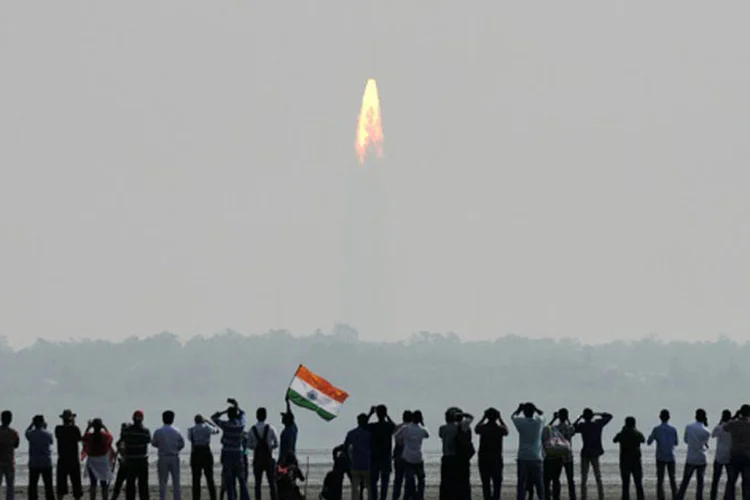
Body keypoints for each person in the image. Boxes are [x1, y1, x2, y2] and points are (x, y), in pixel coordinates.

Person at [212, 399, 251, 500]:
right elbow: (243, 414)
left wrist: (224, 411)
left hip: (227, 452)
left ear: (228, 416)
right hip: (238, 452)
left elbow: (214, 417)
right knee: (242, 479)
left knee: (229, 480)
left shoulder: (226, 425)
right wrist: (237, 407)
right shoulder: (241, 425)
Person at [573, 409, 612, 500]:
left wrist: (579, 419)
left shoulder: (583, 425)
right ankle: (601, 496)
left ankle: (583, 497)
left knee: (584, 478)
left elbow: (572, 428)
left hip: (585, 453)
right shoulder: (597, 424)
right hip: (595, 452)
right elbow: (609, 416)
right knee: (598, 477)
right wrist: (597, 413)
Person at [438, 407, 474, 500]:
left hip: (446, 458)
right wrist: (463, 415)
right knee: (462, 485)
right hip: (459, 459)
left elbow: (441, 435)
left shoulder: (442, 428)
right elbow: (470, 417)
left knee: (446, 485)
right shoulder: (462, 426)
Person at [512, 402, 545, 500]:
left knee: (521, 483)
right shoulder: (538, 423)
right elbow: (542, 414)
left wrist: (519, 410)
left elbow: (513, 416)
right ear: (533, 412)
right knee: (539, 483)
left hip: (523, 456)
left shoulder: (521, 422)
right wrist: (536, 409)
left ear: (524, 412)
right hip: (536, 456)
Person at [676, 409, 711, 500]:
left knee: (685, 481)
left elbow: (686, 440)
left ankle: (679, 497)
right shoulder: (707, 431)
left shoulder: (689, 427)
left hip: (691, 457)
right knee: (700, 482)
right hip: (702, 457)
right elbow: (705, 444)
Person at [394, 411, 429, 500]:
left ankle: (410, 495)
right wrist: (423, 423)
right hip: (418, 457)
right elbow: (427, 435)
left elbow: (397, 437)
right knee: (421, 478)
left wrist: (404, 440)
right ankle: (419, 496)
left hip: (407, 456)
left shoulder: (405, 428)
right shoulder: (422, 429)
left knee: (409, 479)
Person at [475, 407, 508, 500]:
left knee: (486, 484)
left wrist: (483, 418)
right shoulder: (499, 429)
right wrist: (500, 419)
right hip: (496, 458)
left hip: (484, 459)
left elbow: (476, 428)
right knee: (497, 484)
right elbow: (506, 431)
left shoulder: (483, 428)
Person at [151, 411, 184, 500]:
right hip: (174, 456)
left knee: (162, 482)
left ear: (163, 419)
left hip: (163, 456)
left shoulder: (158, 431)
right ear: (172, 419)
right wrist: (176, 449)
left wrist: (161, 445)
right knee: (176, 481)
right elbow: (182, 444)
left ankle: (163, 498)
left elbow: (154, 443)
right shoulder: (177, 431)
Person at [248, 408, 279, 500]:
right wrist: (269, 448)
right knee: (272, 483)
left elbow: (248, 445)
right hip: (269, 458)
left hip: (257, 458)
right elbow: (277, 443)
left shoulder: (252, 429)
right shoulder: (271, 428)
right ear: (266, 416)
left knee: (258, 484)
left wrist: (256, 448)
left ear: (256, 416)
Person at [545, 409, 576, 500]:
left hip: (558, 456)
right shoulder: (570, 428)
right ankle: (572, 497)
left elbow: (547, 428)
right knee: (570, 479)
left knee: (555, 479)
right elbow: (572, 429)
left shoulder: (556, 428)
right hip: (568, 456)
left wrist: (554, 418)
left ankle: (556, 496)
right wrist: (568, 419)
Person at [648, 409, 679, 500]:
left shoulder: (656, 429)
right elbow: (676, 443)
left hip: (660, 456)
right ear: (669, 418)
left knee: (660, 479)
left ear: (660, 417)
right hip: (671, 455)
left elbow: (649, 442)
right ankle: (675, 496)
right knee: (672, 478)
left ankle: (661, 497)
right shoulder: (673, 429)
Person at [120, 410, 151, 500]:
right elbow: (148, 441)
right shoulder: (145, 431)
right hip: (142, 460)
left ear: (133, 419)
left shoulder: (127, 431)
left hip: (130, 460)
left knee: (130, 484)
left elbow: (122, 439)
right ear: (142, 419)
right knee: (143, 485)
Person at [367, 405, 396, 500]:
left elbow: (363, 425)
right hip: (386, 457)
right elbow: (395, 427)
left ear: (377, 414)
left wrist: (370, 413)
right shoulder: (388, 426)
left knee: (373, 482)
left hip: (375, 457)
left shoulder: (374, 427)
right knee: (385, 482)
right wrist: (387, 416)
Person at [613, 416, 645, 500]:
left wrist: (622, 430)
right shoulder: (637, 433)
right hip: (636, 461)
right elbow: (643, 440)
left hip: (625, 461)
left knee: (625, 484)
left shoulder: (622, 433)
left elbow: (615, 440)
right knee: (638, 483)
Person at [81, 419, 115, 500]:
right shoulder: (105, 436)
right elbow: (110, 437)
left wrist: (88, 427)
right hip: (103, 461)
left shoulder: (90, 436)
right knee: (104, 483)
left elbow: (83, 438)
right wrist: (104, 427)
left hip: (92, 461)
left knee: (93, 484)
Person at [189, 414, 220, 500]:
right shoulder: (206, 427)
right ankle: (213, 497)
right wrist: (209, 422)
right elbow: (217, 431)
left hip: (195, 452)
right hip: (206, 451)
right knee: (210, 477)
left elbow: (190, 439)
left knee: (196, 479)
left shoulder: (191, 429)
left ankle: (196, 497)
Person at [723, 405, 750, 500]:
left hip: (735, 455)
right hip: (747, 456)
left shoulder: (734, 424)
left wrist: (734, 417)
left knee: (731, 482)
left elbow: (724, 428)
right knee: (747, 484)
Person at [56, 409, 84, 500]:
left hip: (62, 458)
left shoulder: (58, 429)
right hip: (73, 459)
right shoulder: (75, 429)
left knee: (61, 484)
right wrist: (74, 423)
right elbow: (80, 439)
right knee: (76, 483)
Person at [26, 415, 55, 500]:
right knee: (48, 485)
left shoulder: (31, 434)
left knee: (33, 485)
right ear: (42, 422)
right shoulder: (48, 433)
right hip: (46, 461)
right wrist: (45, 428)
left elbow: (26, 431)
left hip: (34, 462)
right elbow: (51, 441)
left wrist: (31, 424)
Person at [345, 414, 372, 500]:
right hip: (367, 463)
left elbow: (345, 448)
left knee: (355, 489)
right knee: (370, 488)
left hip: (355, 463)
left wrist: (349, 459)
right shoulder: (370, 434)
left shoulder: (352, 433)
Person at [709, 410, 733, 500]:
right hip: (729, 456)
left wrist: (719, 423)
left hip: (719, 455)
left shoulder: (720, 427)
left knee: (715, 480)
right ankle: (727, 497)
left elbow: (712, 435)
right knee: (730, 479)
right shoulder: (732, 427)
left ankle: (713, 497)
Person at [0, 410, 20, 500]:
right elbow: (16, 445)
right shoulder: (13, 433)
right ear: (10, 420)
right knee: (10, 486)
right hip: (9, 462)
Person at [392, 411, 412, 500]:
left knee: (398, 478)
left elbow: (393, 427)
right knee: (408, 478)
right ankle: (406, 497)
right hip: (409, 454)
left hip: (399, 454)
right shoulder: (413, 428)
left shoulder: (398, 427)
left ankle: (395, 496)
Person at [110, 424, 129, 500]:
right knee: (119, 484)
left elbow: (121, 451)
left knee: (119, 484)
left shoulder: (122, 441)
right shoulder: (121, 441)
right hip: (125, 464)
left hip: (125, 465)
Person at [279, 398, 298, 468]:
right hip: (285, 459)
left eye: (284, 417)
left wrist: (283, 461)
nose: (282, 419)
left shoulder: (290, 431)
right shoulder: (291, 428)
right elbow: (290, 414)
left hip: (287, 460)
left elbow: (289, 447)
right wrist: (287, 403)